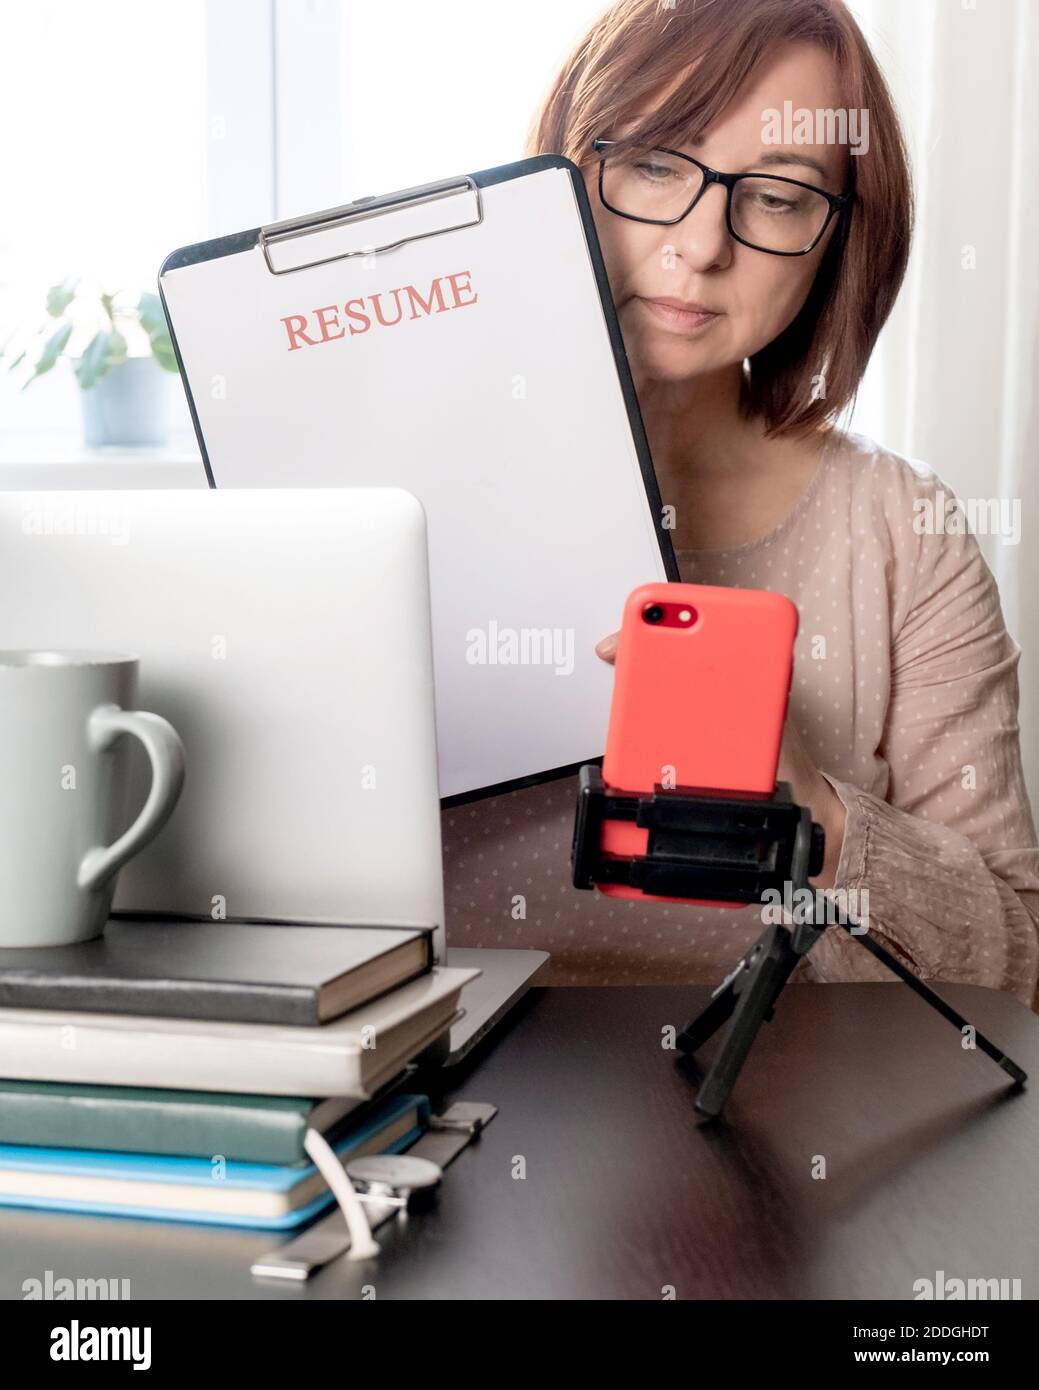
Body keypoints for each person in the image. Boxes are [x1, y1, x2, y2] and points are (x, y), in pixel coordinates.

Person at [440, 0, 1039, 1008]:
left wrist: (819, 819)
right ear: (564, 172)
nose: (701, 243)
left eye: (775, 197)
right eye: (654, 165)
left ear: (838, 239)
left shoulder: (900, 531)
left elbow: (1017, 974)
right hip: (436, 1081)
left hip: (788, 1088)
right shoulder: (401, 492)